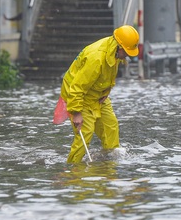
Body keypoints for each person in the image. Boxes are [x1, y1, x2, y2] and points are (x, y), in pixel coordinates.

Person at [58, 25, 139, 163]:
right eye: (126, 51)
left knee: (111, 126)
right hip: (78, 96)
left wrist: (106, 91)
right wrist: (76, 112)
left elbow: (107, 75)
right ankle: (73, 170)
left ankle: (109, 166)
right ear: (119, 46)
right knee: (85, 132)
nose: (126, 55)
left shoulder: (114, 51)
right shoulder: (96, 58)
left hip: (97, 94)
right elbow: (77, 86)